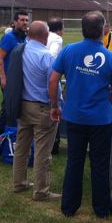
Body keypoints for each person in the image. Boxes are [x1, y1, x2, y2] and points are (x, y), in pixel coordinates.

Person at [49, 11, 112, 218]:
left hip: (74, 117)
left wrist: (55, 105)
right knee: (100, 164)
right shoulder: (110, 57)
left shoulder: (68, 50)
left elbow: (53, 80)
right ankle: (102, 208)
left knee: (74, 161)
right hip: (101, 119)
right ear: (102, 30)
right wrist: (106, 103)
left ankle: (69, 207)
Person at [8, 21, 60, 201]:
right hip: (41, 107)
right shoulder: (47, 56)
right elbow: (53, 85)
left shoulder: (19, 50)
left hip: (22, 105)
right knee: (42, 152)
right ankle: (41, 191)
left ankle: (19, 182)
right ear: (45, 36)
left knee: (22, 147)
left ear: (29, 35)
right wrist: (56, 106)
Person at [0, 10, 29, 134]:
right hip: (9, 79)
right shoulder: (9, 37)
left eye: (26, 20)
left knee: (16, 108)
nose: (25, 22)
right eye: (22, 20)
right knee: (8, 108)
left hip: (20, 79)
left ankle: (13, 135)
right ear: (15, 22)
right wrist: (3, 77)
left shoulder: (25, 37)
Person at [46, 16, 64, 154]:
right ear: (59, 29)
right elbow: (52, 56)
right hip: (50, 77)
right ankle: (54, 145)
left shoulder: (43, 35)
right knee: (55, 108)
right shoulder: (57, 39)